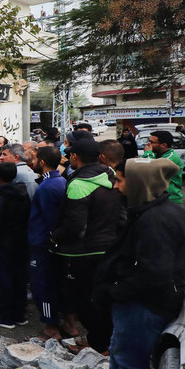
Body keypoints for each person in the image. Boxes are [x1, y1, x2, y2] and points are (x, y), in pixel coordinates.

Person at [75, 157, 185, 369]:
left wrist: (115, 291)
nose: (115, 186)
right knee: (120, 356)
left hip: (143, 306)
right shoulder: (152, 212)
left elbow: (154, 274)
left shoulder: (156, 221)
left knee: (131, 365)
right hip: (136, 303)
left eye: (119, 180)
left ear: (138, 183)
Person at [51, 138, 125, 353]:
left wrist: (54, 237)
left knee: (84, 302)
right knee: (101, 299)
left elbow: (75, 226)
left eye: (70, 155)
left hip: (82, 253)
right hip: (108, 249)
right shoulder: (112, 178)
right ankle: (101, 342)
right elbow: (121, 216)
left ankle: (100, 346)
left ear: (75, 157)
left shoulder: (78, 184)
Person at [0, 162, 32, 329]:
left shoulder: (1, 195)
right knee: (19, 278)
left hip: (5, 243)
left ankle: (7, 317)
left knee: (5, 280)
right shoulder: (23, 192)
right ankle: (19, 314)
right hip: (22, 242)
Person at [30, 146, 66, 340]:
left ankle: (51, 328)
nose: (33, 162)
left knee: (42, 286)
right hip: (46, 243)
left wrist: (49, 241)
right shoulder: (59, 181)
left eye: (35, 158)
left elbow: (51, 219)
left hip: (42, 244)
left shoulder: (47, 186)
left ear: (42, 162)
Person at [141, 130, 183, 205]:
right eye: (148, 141)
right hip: (159, 199)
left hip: (171, 200)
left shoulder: (171, 158)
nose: (148, 144)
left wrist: (148, 153)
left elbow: (151, 169)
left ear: (163, 145)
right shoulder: (157, 155)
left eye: (152, 142)